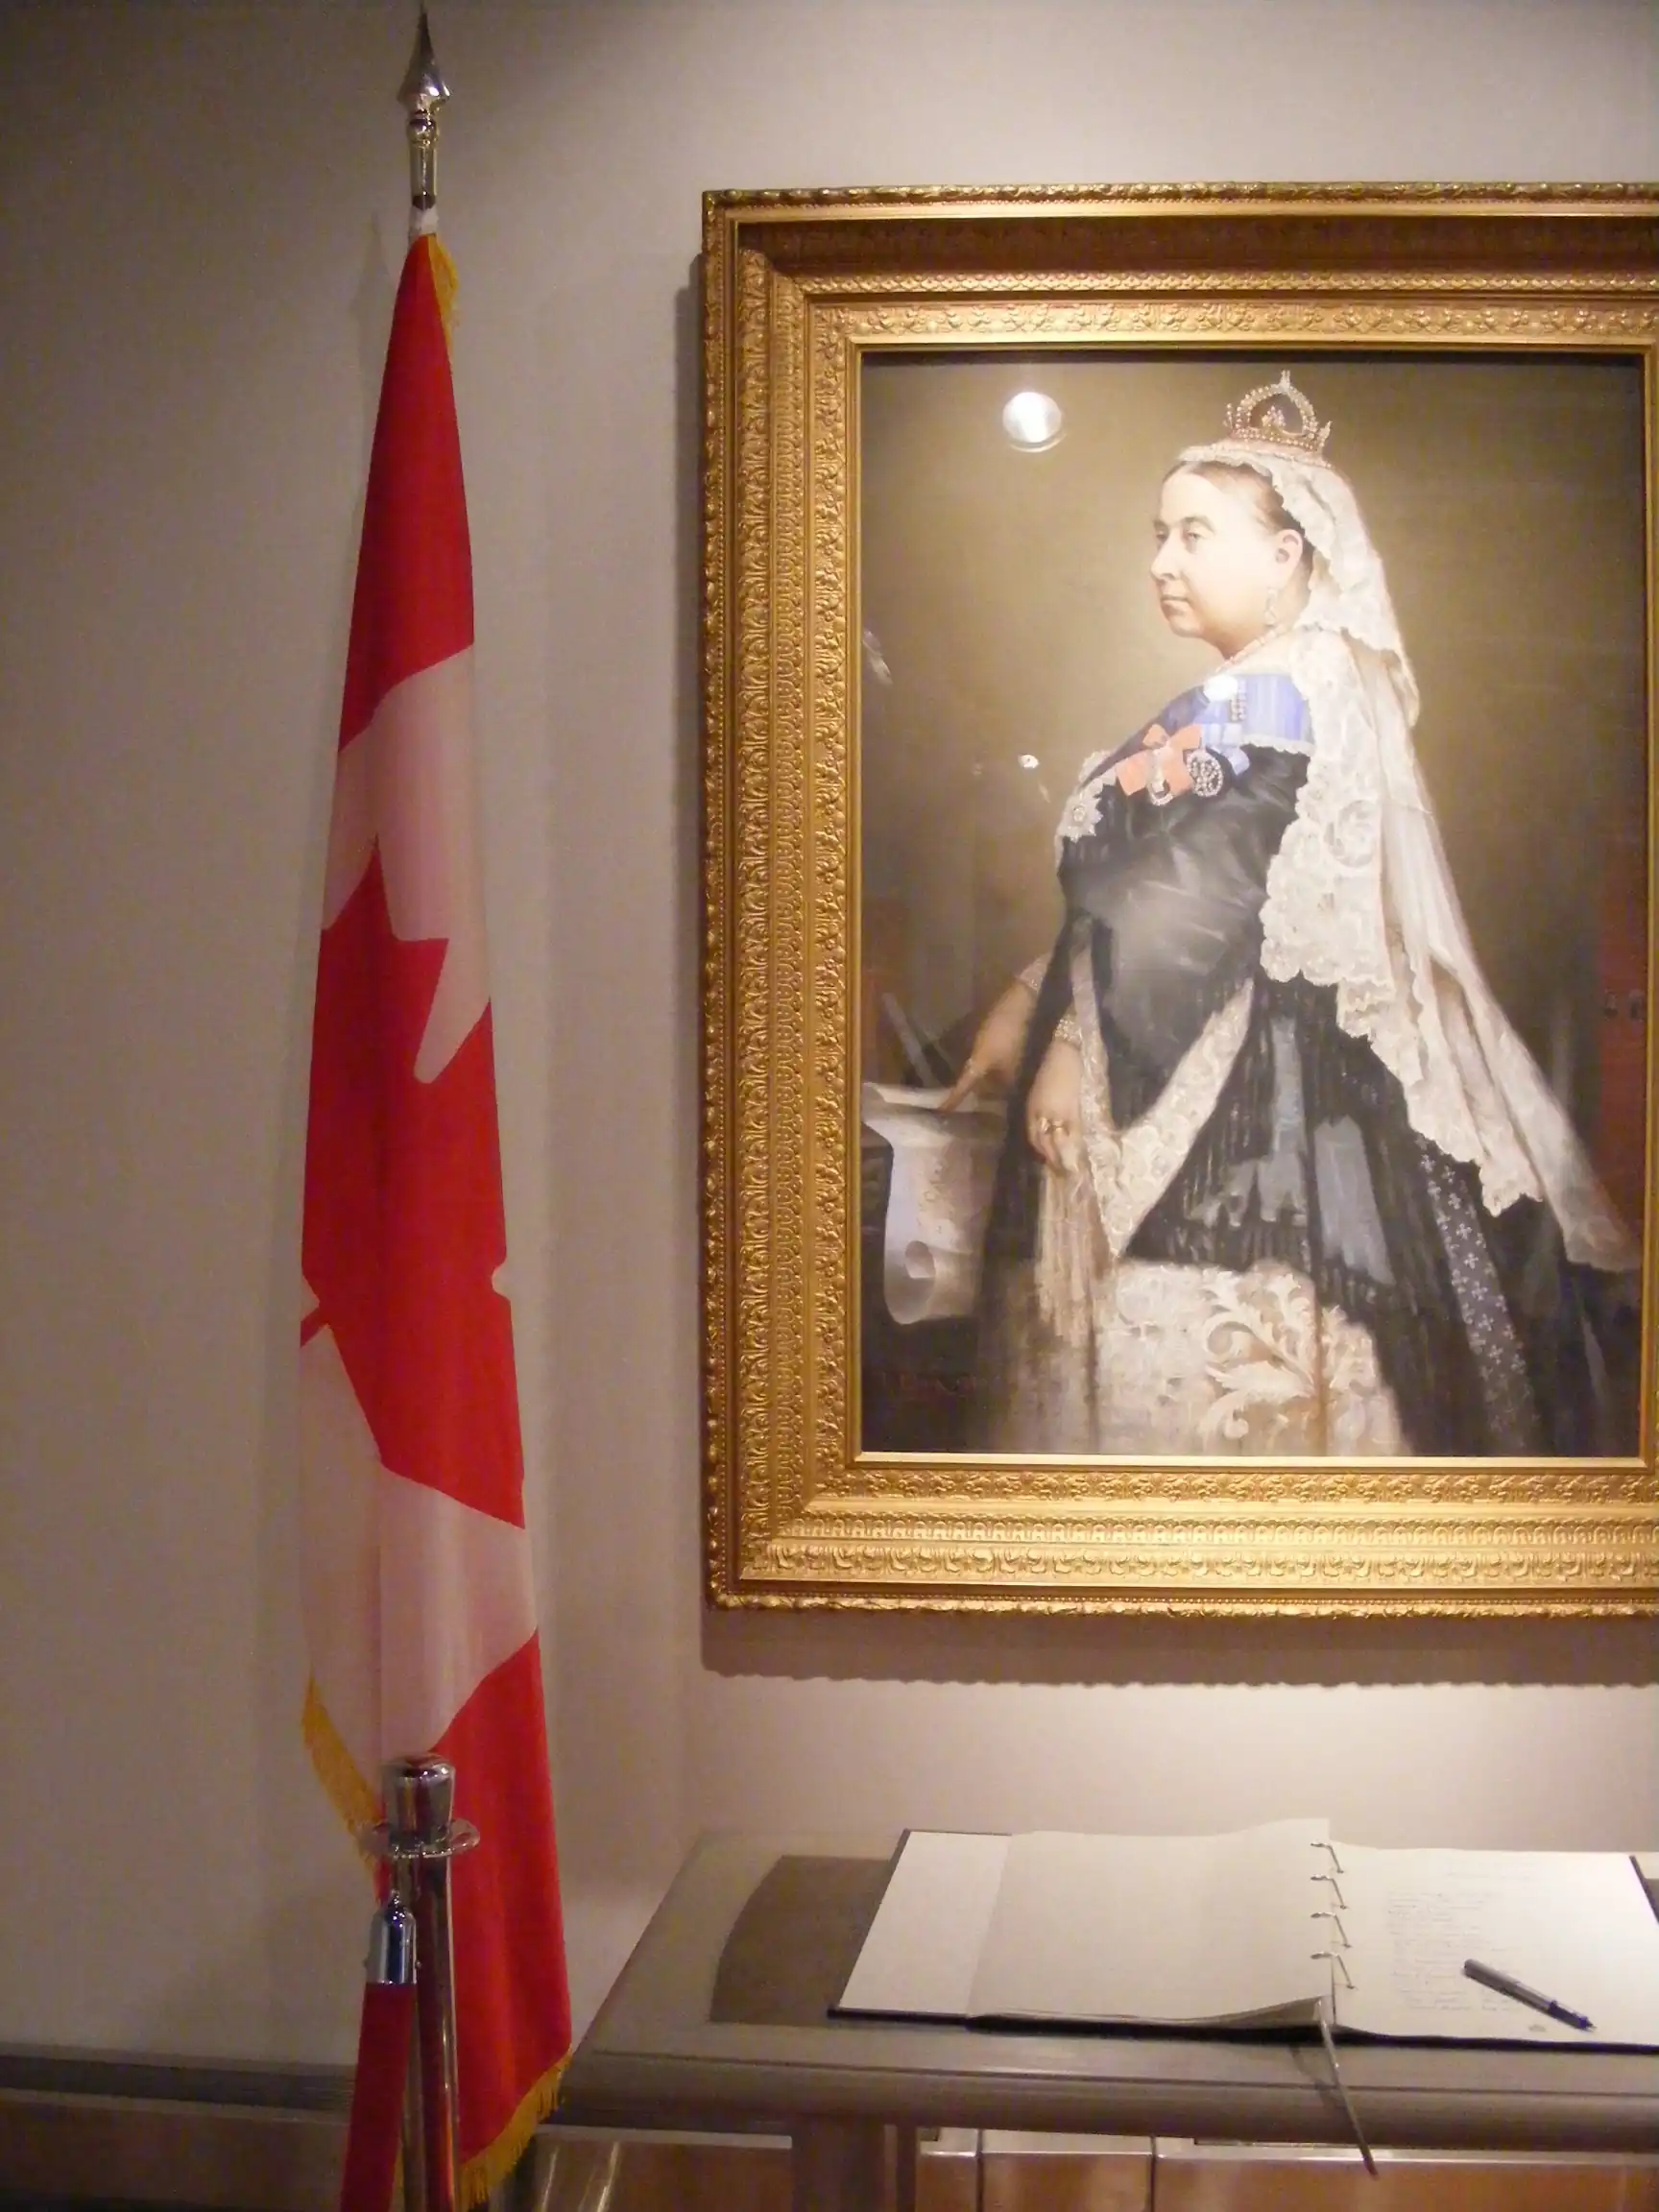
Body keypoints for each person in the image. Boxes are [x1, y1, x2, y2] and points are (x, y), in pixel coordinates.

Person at [940, 373, 1639, 1458]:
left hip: (1239, 1107)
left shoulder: (1276, 695)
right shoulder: (1264, 688)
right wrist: (1032, 995)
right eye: (1159, 534)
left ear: (1285, 554)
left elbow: (1194, 910)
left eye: (1194, 535)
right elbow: (1152, 891)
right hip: (1220, 1052)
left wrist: (1072, 1039)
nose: (1162, 562)